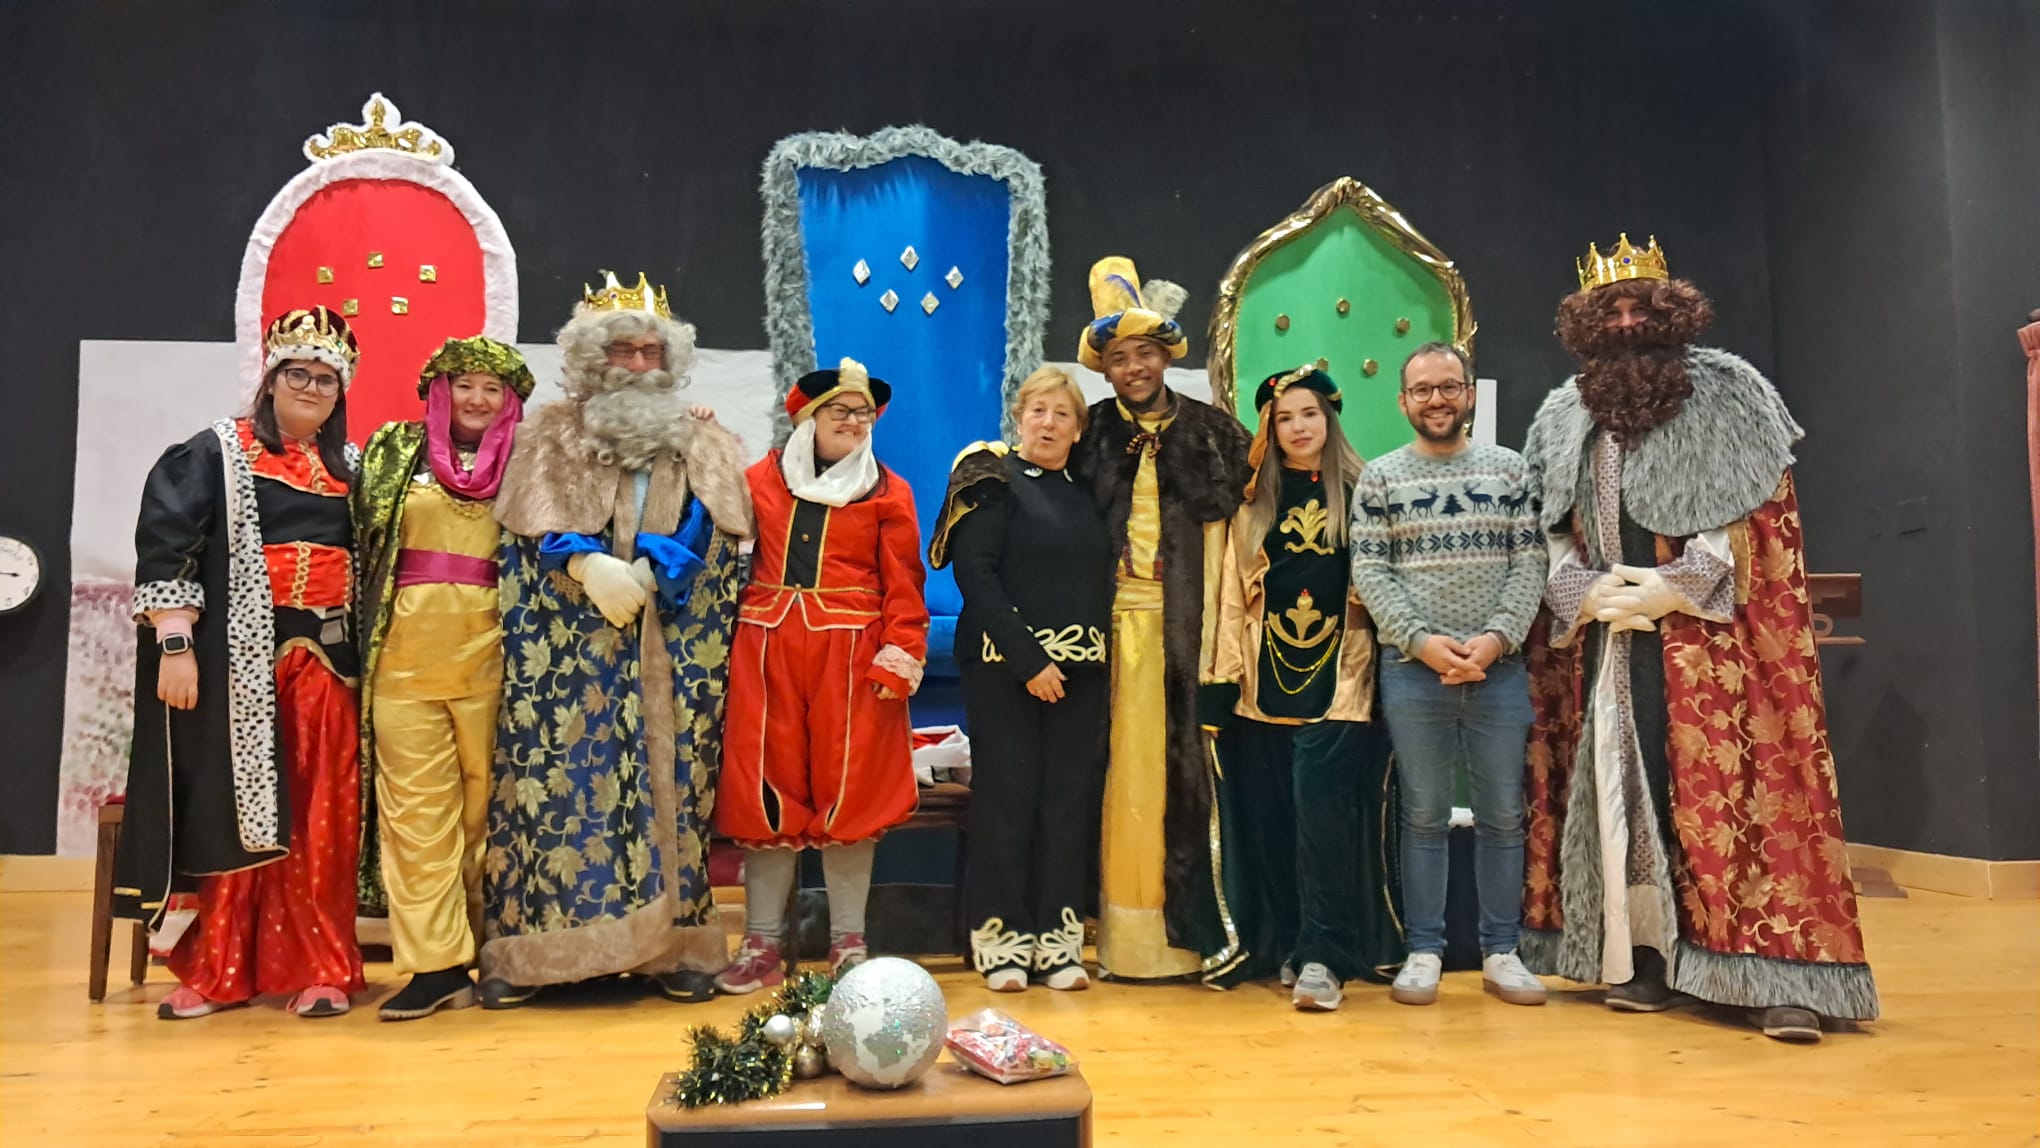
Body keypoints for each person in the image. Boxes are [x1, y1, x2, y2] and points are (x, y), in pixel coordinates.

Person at [1519, 235, 1880, 1042]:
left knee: (1743, 796)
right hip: (1611, 646)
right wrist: (1586, 590)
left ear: (1670, 310)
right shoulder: (1562, 414)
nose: (1626, 320)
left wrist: (1676, 586)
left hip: (1714, 649)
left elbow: (1758, 520)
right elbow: (1547, 524)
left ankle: (1775, 973)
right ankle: (1647, 958)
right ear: (1586, 323)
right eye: (1610, 309)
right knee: (1627, 795)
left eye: (1639, 306)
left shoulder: (1731, 393)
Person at [484, 273, 754, 1008]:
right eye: (623, 350)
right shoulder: (548, 435)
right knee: (560, 784)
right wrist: (582, 563)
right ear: (591, 357)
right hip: (573, 653)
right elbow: (524, 532)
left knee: (676, 785)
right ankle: (536, 956)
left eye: (650, 351)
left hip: (670, 641)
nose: (638, 364)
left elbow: (722, 529)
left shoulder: (702, 439)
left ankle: (677, 950)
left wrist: (660, 567)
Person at [113, 306, 367, 1020]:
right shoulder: (214, 453)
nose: (310, 388)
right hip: (237, 671)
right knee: (231, 814)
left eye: (325, 379)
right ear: (271, 378)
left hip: (329, 669)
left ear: (340, 392)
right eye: (297, 374)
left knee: (322, 822)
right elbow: (169, 546)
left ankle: (324, 967)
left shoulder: (351, 470)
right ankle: (220, 969)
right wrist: (174, 644)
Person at [713, 358, 929, 994]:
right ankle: (761, 942)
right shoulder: (759, 480)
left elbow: (904, 583)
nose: (854, 422)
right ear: (808, 416)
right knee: (763, 788)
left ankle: (848, 945)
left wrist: (900, 653)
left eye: (863, 414)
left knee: (851, 793)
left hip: (853, 660)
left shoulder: (889, 491)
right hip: (767, 653)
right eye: (841, 411)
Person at [1067, 256, 1253, 982]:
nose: (1134, 368)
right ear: (1106, 370)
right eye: (1120, 358)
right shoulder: (1088, 434)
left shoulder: (1212, 432)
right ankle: (1117, 937)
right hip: (1106, 634)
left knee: (1184, 777)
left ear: (1166, 357)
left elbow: (1247, 526)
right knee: (1118, 779)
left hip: (1191, 634)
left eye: (1144, 353)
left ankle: (1191, 934)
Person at [1350, 341, 1548, 1009]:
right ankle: (1424, 951)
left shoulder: (1511, 470)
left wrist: (1494, 641)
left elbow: (1530, 562)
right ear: (1402, 401)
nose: (1436, 399)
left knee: (1502, 817)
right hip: (1414, 674)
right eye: (1422, 389)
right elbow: (1371, 570)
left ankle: (1501, 951)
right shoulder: (1379, 479)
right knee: (1423, 815)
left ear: (1469, 394)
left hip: (1499, 672)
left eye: (1448, 387)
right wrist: (1423, 643)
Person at [1203, 365, 1402, 1010]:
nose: (1297, 427)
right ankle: (1287, 941)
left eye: (1308, 414)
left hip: (1342, 674)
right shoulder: (1250, 501)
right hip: (1262, 678)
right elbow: (1230, 595)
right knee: (1274, 821)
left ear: (1329, 418)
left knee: (1325, 819)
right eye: (1284, 418)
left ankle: (1325, 954)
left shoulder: (1365, 492)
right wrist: (1222, 678)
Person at [353, 336, 533, 1020]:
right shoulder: (394, 451)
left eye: (492, 388)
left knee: (489, 813)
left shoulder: (530, 459)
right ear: (440, 389)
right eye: (465, 385)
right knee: (417, 818)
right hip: (402, 659)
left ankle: (496, 951)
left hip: (496, 656)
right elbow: (359, 541)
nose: (477, 399)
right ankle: (436, 967)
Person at [931, 367, 1112, 992]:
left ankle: (1058, 944)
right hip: (1004, 671)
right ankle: (1001, 943)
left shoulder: (1089, 493)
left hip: (1082, 675)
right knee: (1007, 803)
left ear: (1078, 429)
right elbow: (976, 575)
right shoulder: (992, 477)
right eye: (1038, 411)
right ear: (1019, 417)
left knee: (1066, 806)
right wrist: (1030, 662)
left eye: (1062, 414)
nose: (1048, 424)